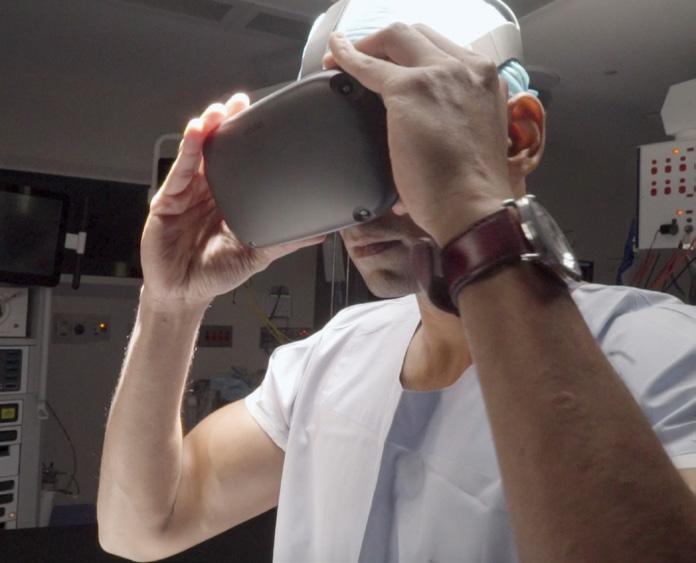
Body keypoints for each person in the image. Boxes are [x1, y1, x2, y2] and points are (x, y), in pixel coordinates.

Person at [97, 2, 696, 562]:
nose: (364, 201)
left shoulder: (664, 355)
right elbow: (143, 527)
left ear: (517, 137)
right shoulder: (328, 360)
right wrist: (170, 306)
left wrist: (472, 217)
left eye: (396, 138)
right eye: (332, 152)